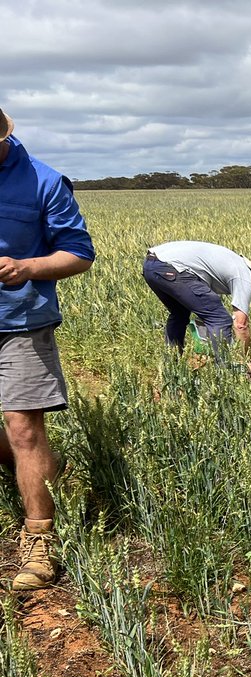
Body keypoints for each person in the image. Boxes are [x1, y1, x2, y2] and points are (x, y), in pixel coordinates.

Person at [0, 108, 95, 590]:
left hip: (19, 320)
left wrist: (27, 268)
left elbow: (78, 253)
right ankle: (32, 468)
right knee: (14, 440)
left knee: (24, 426)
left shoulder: (44, 181)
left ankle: (39, 539)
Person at [142, 242, 251, 358]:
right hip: (171, 267)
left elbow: (202, 305)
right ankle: (225, 375)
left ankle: (171, 368)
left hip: (151, 265)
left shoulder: (231, 263)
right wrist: (246, 358)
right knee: (220, 319)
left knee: (179, 314)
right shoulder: (245, 275)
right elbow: (240, 325)